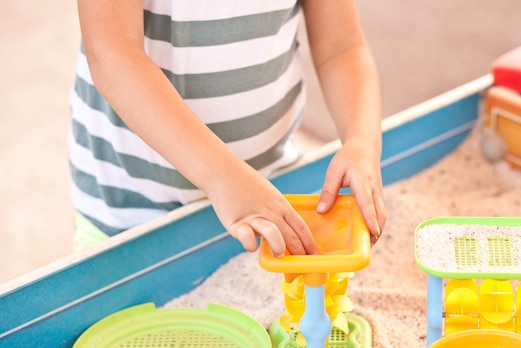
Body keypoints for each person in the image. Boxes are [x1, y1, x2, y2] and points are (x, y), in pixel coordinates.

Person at [69, 0, 386, 257]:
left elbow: (341, 47)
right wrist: (224, 177)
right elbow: (112, 55)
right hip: (131, 210)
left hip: (266, 188)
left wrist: (362, 140)